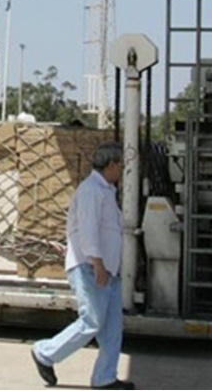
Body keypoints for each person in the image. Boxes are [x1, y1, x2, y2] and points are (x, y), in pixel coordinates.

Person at [31, 141, 133, 391]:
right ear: (110, 164)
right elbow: (88, 231)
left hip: (108, 270)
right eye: (121, 165)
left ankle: (104, 378)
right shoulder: (91, 191)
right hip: (90, 267)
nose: (123, 170)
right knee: (92, 321)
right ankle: (45, 352)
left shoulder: (106, 190)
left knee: (112, 329)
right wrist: (97, 263)